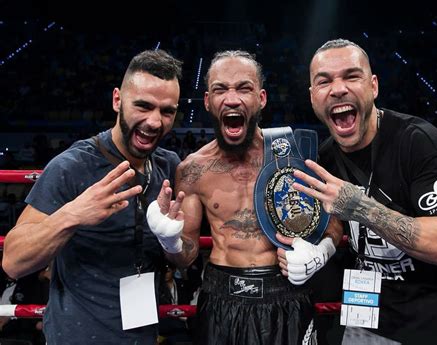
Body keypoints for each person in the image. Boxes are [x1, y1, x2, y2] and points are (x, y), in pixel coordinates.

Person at [281, 38, 437, 344]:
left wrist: (360, 207)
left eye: (351, 76)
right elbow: (335, 220)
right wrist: (321, 251)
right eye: (324, 81)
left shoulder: (419, 142)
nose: (338, 88)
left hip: (434, 327)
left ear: (373, 86)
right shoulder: (327, 155)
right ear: (313, 96)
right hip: (364, 319)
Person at [147, 50, 342, 345]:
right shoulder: (193, 170)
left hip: (288, 295)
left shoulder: (295, 155)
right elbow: (185, 257)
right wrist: (170, 240)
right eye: (220, 89)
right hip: (221, 301)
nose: (232, 98)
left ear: (261, 99)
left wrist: (321, 253)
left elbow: (333, 226)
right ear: (208, 102)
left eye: (244, 88)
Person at [2, 49, 185, 345]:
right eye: (143, 106)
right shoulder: (72, 166)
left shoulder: (168, 166)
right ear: (117, 100)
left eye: (167, 111)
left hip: (143, 336)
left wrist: (171, 239)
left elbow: (183, 257)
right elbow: (13, 261)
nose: (154, 121)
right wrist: (72, 215)